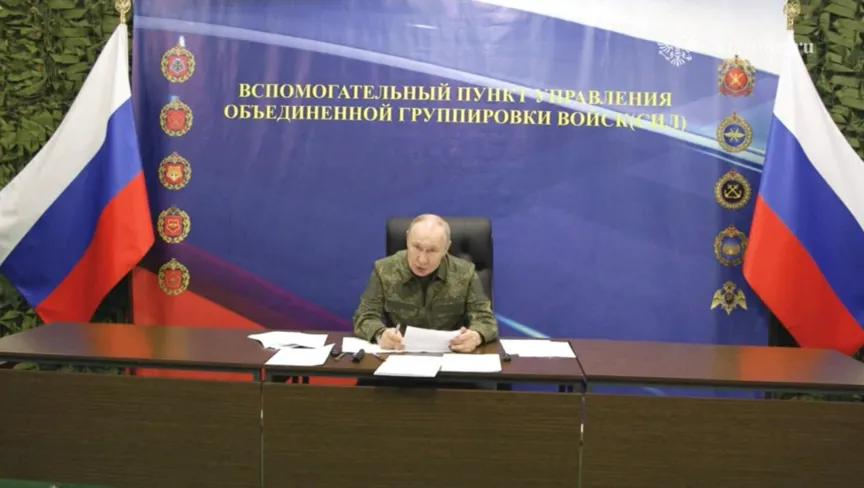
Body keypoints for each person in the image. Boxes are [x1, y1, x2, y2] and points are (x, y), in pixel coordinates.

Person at [352, 214, 498, 353]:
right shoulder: (383, 270)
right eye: (416, 247)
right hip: (399, 356)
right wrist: (380, 334)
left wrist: (475, 336)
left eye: (432, 251)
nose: (422, 260)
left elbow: (485, 320)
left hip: (450, 357)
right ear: (407, 238)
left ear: (446, 248)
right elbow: (364, 317)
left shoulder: (465, 273)